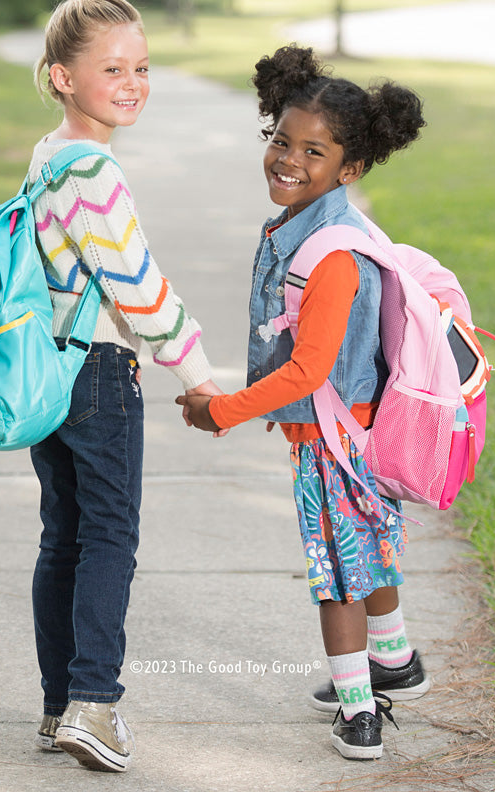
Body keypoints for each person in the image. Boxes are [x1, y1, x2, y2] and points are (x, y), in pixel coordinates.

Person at [176, 44, 431, 761]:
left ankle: (358, 711)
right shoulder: (322, 227)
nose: (288, 159)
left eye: (312, 152)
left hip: (333, 443)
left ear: (348, 170)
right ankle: (397, 661)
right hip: (357, 432)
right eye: (281, 141)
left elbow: (308, 370)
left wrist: (220, 409)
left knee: (337, 578)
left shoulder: (332, 255)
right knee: (369, 558)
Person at [26, 0, 222, 772]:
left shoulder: (47, 154)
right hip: (100, 370)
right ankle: (95, 704)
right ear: (62, 77)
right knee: (108, 536)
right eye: (111, 68)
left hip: (51, 367)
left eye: (141, 66)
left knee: (64, 538)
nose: (132, 81)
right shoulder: (93, 168)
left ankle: (57, 708)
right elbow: (136, 286)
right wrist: (199, 373)